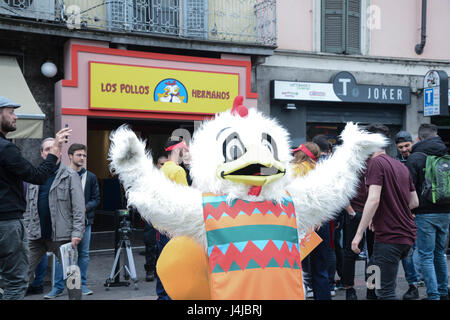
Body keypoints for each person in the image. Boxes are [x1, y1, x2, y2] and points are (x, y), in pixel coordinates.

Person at [0, 96, 70, 300]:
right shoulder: (6, 148)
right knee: (16, 281)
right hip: (8, 223)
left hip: (34, 228)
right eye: (11, 111)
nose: (16, 116)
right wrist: (55, 151)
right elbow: (37, 176)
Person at [351, 123, 419, 300]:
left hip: (389, 237)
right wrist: (386, 210)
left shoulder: (376, 163)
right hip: (405, 236)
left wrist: (358, 235)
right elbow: (414, 202)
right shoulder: (400, 166)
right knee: (375, 279)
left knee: (385, 292)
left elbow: (373, 200)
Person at [23, 137, 86, 299]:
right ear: (42, 154)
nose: (52, 151)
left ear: (59, 152)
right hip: (36, 235)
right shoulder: (35, 176)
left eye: (54, 148)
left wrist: (77, 232)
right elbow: (28, 207)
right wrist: (26, 227)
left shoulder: (70, 175)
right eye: (47, 149)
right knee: (22, 271)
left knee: (72, 274)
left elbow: (79, 207)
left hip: (63, 236)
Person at [405, 123, 450, 300]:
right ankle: (443, 291)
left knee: (425, 255)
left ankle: (433, 295)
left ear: (419, 138)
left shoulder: (415, 157)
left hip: (424, 213)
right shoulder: (446, 154)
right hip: (446, 211)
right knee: (440, 253)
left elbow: (409, 188)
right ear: (436, 135)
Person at [49, 143, 99, 296]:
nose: (82, 158)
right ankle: (57, 288)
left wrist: (84, 207)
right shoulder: (61, 174)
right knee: (61, 256)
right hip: (64, 223)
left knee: (83, 255)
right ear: (70, 156)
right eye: (79, 155)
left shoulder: (90, 177)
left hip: (84, 223)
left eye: (84, 155)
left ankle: (80, 285)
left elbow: (96, 199)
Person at [292, 141, 332, 300]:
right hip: (320, 223)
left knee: (300, 270)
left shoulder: (292, 171)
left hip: (299, 223)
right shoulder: (323, 173)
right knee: (320, 269)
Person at [155, 136, 189, 300]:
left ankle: (162, 295)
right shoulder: (178, 171)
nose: (186, 153)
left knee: (163, 262)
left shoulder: (161, 170)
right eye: (184, 149)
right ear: (177, 150)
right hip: (174, 227)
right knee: (175, 264)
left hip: (160, 225)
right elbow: (184, 203)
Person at [394, 130, 422, 300]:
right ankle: (414, 285)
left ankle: (418, 284)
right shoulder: (396, 162)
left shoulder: (420, 158)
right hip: (406, 213)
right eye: (401, 147)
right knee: (409, 252)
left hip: (420, 212)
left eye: (406, 145)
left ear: (412, 142)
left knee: (419, 252)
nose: (404, 149)